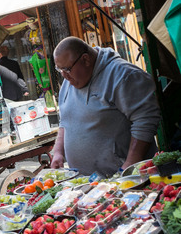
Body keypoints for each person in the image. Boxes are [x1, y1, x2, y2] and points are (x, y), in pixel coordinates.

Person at [50, 36, 161, 177]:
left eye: (67, 69)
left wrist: (129, 167)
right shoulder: (70, 80)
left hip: (125, 179)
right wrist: (58, 152)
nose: (64, 76)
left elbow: (145, 120)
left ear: (85, 59)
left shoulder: (123, 75)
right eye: (59, 70)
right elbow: (65, 120)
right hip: (88, 184)